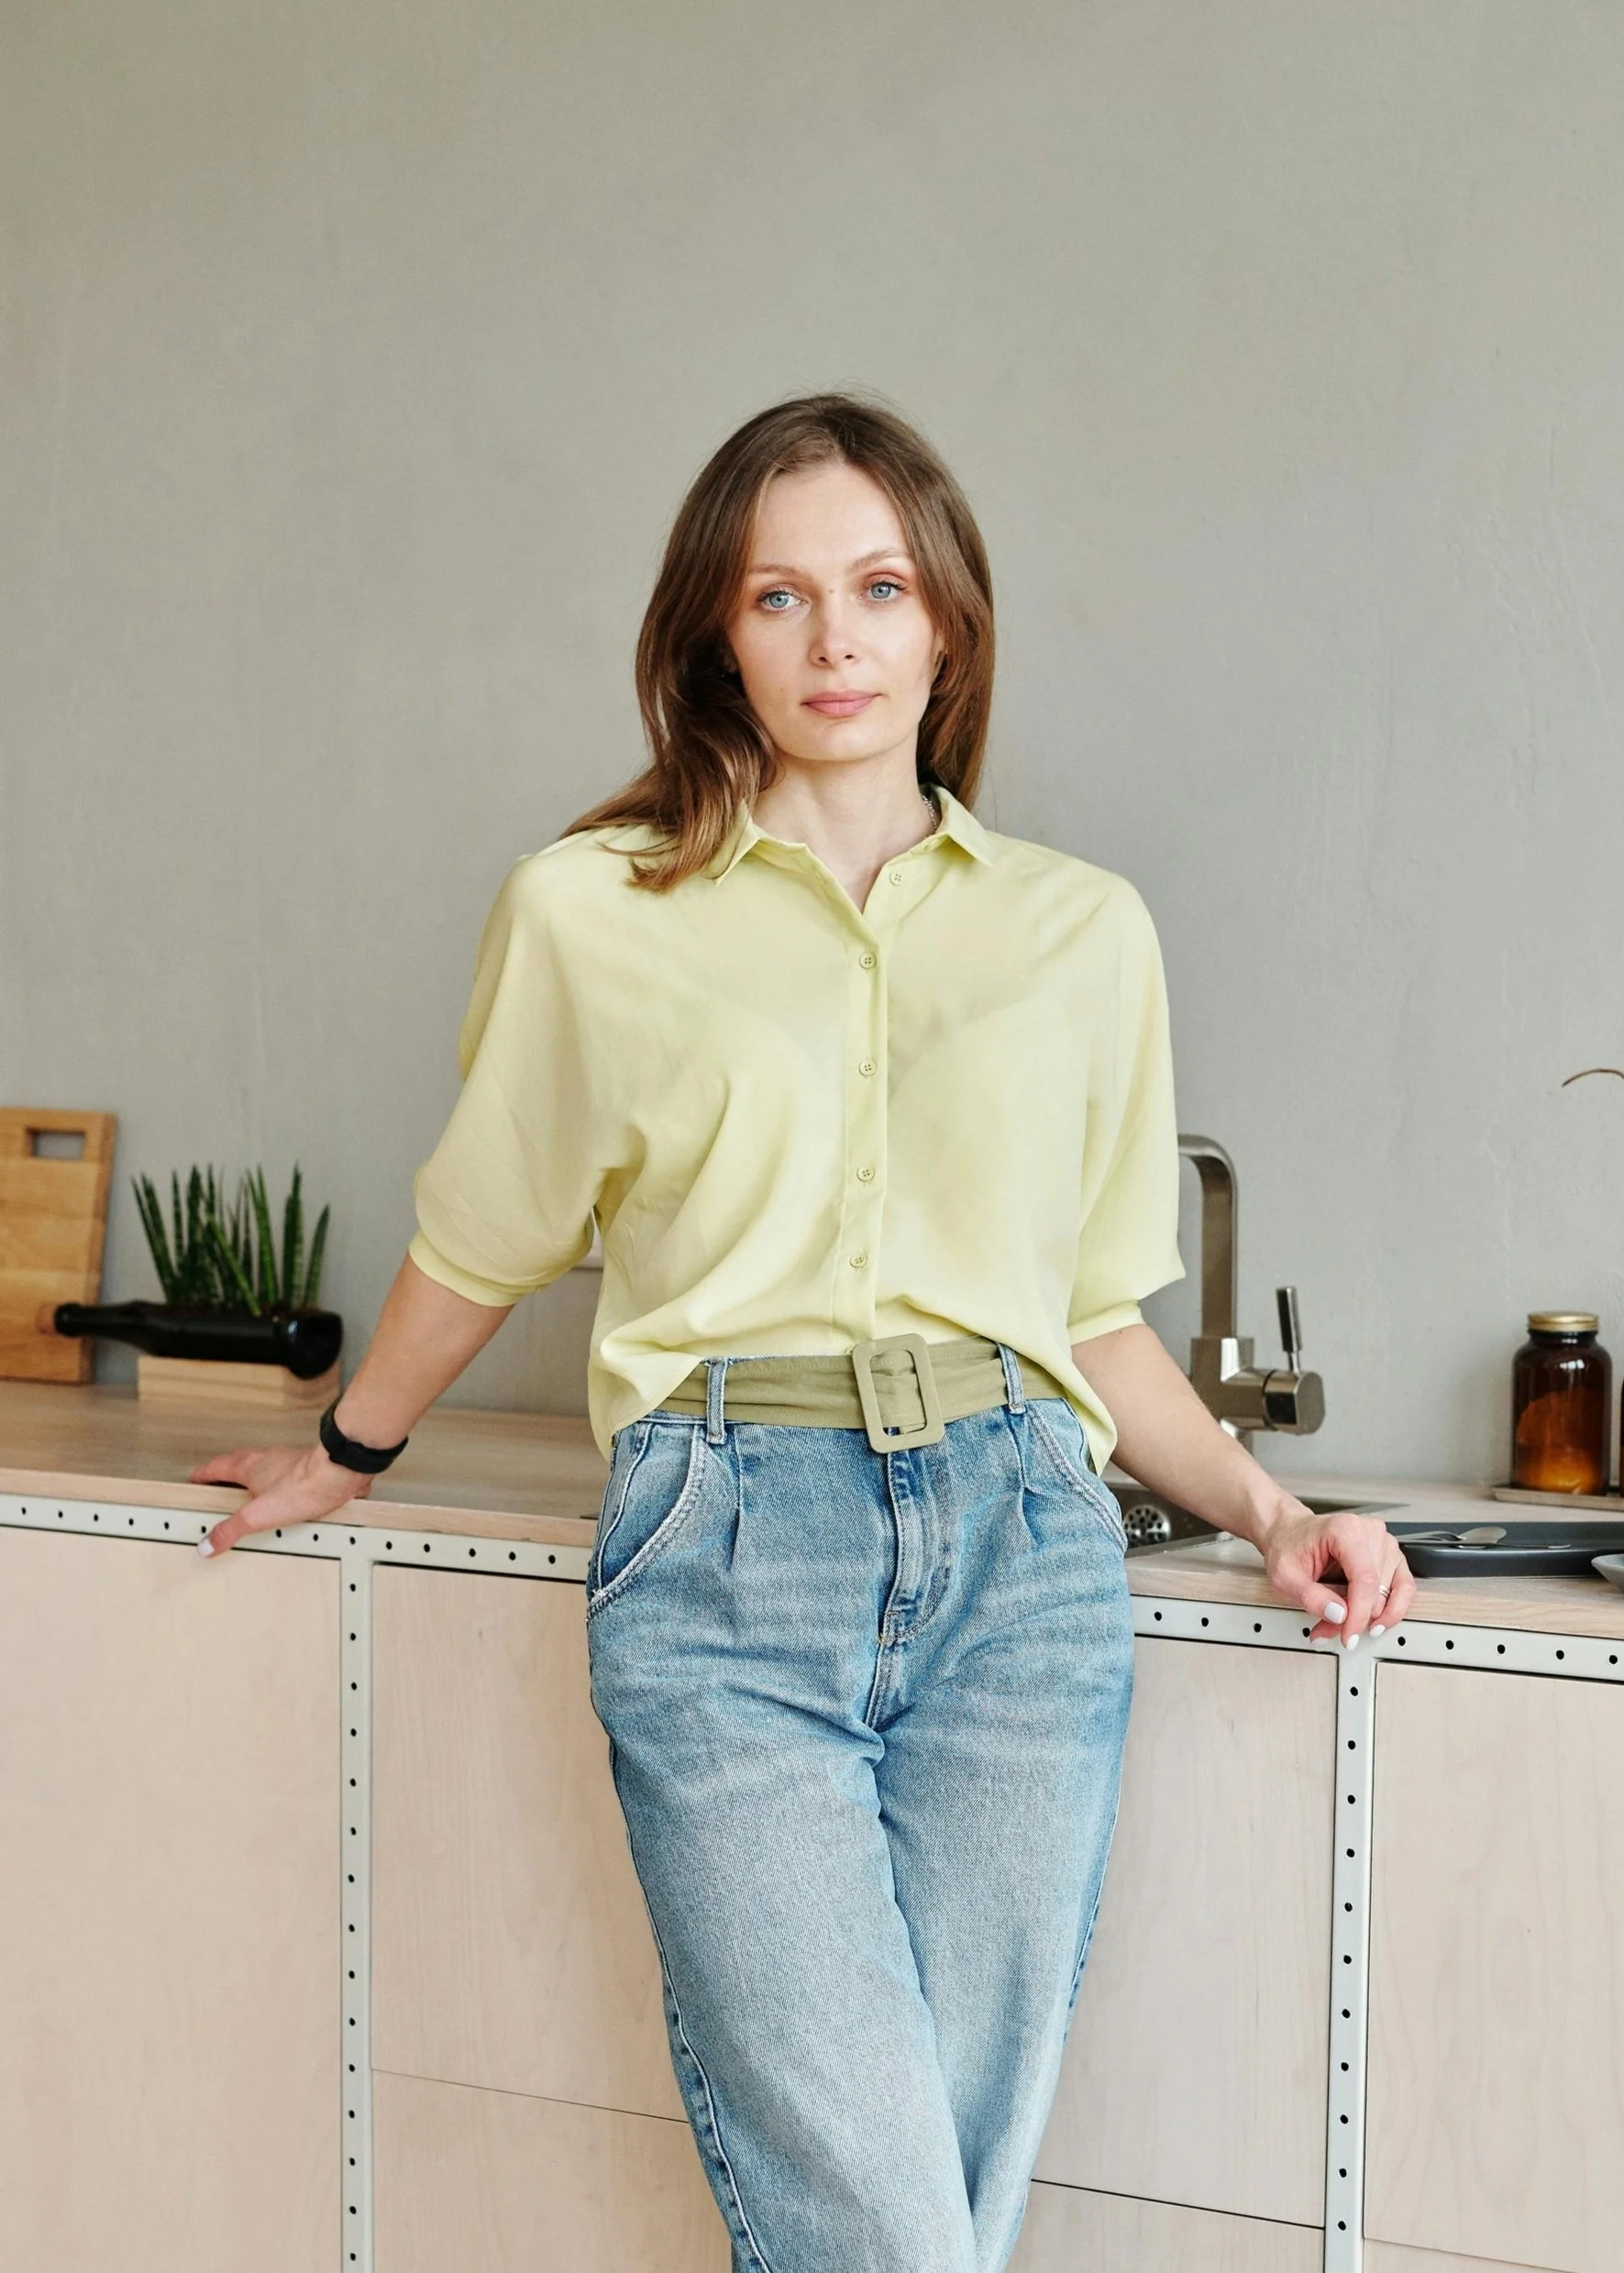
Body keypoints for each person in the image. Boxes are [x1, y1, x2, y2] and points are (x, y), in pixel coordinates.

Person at [191, 392, 1416, 2272]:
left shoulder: (1082, 936)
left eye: (875, 588)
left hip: (1024, 1552)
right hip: (723, 1539)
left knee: (942, 2189)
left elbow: (1090, 1312)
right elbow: (485, 1231)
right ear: (715, 636)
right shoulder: (592, 908)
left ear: (947, 626)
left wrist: (1268, 1515)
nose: (832, 639)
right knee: (879, 2220)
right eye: (777, 598)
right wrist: (344, 1451)